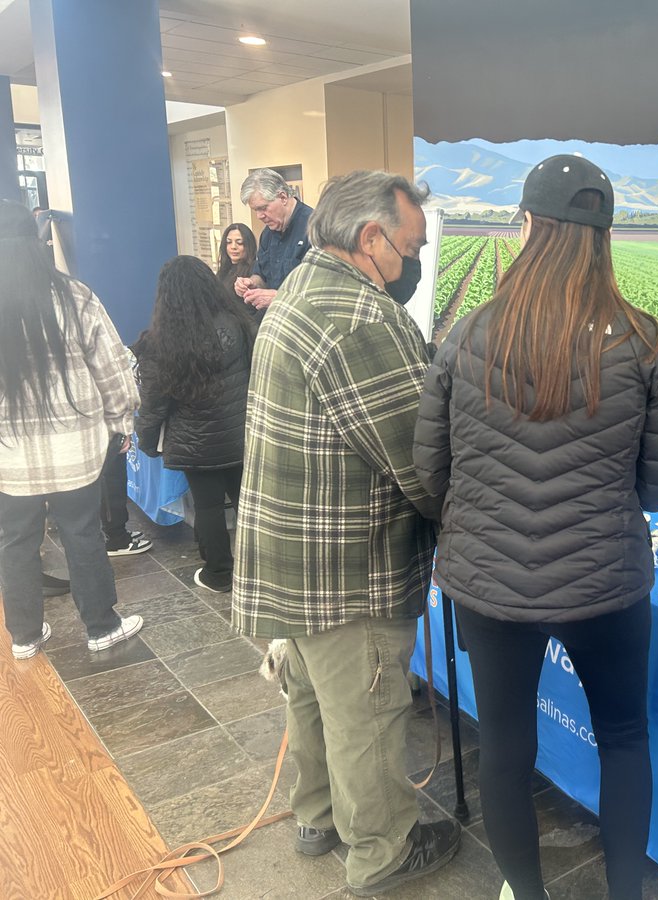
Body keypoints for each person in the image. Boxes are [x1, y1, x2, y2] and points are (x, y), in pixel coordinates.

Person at [414, 154, 658, 900]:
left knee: (506, 747)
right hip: (606, 581)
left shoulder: (467, 334)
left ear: (528, 227)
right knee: (625, 740)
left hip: (489, 583)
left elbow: (429, 474)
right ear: (604, 238)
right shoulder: (643, 342)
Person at [232, 170, 460, 896]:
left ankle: (318, 816)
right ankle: (382, 849)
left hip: (291, 550)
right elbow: (418, 463)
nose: (414, 262)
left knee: (312, 695)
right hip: (347, 563)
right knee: (366, 707)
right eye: (411, 245)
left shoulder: (303, 283)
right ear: (371, 239)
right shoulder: (363, 319)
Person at [0, 200, 143, 659]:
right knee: (82, 532)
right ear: (38, 240)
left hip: (9, 454)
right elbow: (113, 368)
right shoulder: (75, 296)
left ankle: (23, 636)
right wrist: (122, 421)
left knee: (14, 541)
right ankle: (102, 626)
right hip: (75, 448)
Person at [134, 256, 256, 594]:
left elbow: (153, 405)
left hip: (195, 444)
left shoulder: (162, 342)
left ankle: (219, 573)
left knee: (208, 508)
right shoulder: (238, 324)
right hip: (240, 435)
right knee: (248, 503)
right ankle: (260, 571)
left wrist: (145, 441)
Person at [234, 169, 312, 312]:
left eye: (263, 208)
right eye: (255, 210)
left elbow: (321, 292)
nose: (259, 216)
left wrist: (278, 298)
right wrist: (251, 284)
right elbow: (262, 276)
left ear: (283, 197)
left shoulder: (315, 229)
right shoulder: (268, 234)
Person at [99, 430, 153, 556]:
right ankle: (115, 539)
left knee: (113, 479)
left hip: (102, 430)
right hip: (106, 431)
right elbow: (114, 410)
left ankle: (114, 531)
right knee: (112, 481)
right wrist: (124, 432)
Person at [215, 222, 257, 301]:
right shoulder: (225, 269)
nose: (233, 247)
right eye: (229, 242)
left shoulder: (255, 271)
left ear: (248, 245)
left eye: (239, 243)